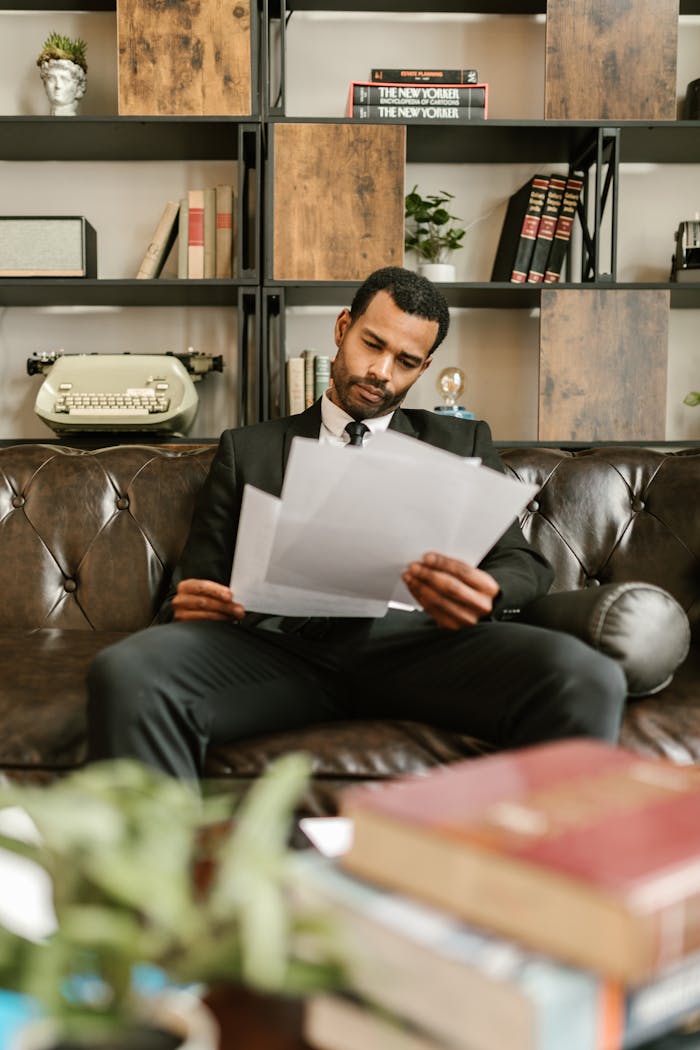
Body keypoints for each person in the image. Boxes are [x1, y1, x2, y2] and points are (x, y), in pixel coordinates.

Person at [86, 267, 626, 778]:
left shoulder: (462, 440)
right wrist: (189, 607)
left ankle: (540, 873)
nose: (381, 373)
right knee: (129, 671)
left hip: (421, 650)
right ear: (343, 328)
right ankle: (156, 871)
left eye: (406, 361)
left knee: (585, 676)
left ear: (425, 367)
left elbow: (522, 561)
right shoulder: (246, 449)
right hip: (282, 653)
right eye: (373, 344)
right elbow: (195, 583)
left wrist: (488, 590)